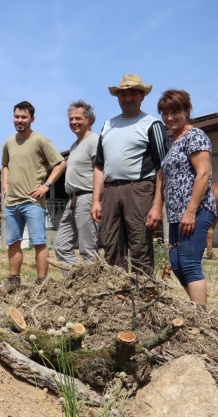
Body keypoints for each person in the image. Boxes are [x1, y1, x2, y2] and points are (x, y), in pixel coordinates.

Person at [91, 74, 167, 276]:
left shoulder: (152, 124)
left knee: (140, 245)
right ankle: (117, 291)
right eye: (123, 94)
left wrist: (157, 205)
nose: (128, 98)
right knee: (111, 246)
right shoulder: (108, 125)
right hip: (110, 190)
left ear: (142, 96)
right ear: (117, 97)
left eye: (133, 93)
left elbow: (162, 167)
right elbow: (99, 166)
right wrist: (96, 200)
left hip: (139, 189)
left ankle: (145, 290)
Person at [158, 89, 217, 306]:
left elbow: (203, 173)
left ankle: (201, 317)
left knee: (190, 263)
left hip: (196, 209)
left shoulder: (195, 136)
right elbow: (163, 174)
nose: (169, 118)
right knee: (176, 263)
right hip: (176, 213)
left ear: (187, 111)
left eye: (175, 112)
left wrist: (191, 211)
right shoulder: (171, 141)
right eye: (165, 113)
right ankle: (196, 310)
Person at [1, 101, 66, 292]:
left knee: (39, 242)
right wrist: (5, 184)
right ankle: (14, 280)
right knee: (13, 242)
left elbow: (61, 163)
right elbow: (5, 165)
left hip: (33, 202)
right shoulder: (9, 142)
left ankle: (41, 282)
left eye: (24, 117)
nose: (19, 120)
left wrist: (46, 185)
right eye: (17, 116)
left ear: (32, 119)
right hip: (12, 202)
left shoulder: (40, 141)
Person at [54, 101, 100, 274]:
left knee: (88, 249)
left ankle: (92, 285)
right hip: (73, 199)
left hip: (87, 197)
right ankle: (75, 282)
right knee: (61, 246)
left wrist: (96, 200)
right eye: (71, 119)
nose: (74, 122)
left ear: (90, 120)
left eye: (78, 118)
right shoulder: (75, 145)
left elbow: (100, 170)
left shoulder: (93, 141)